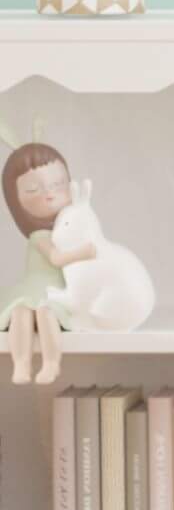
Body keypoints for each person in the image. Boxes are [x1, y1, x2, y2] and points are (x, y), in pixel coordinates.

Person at [0, 136, 96, 385]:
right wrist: (84, 252)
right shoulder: (40, 236)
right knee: (21, 312)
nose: (49, 194)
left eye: (58, 184)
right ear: (16, 200)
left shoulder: (67, 232)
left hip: (57, 294)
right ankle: (21, 364)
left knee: (46, 313)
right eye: (33, 190)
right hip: (36, 290)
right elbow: (56, 258)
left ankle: (51, 363)